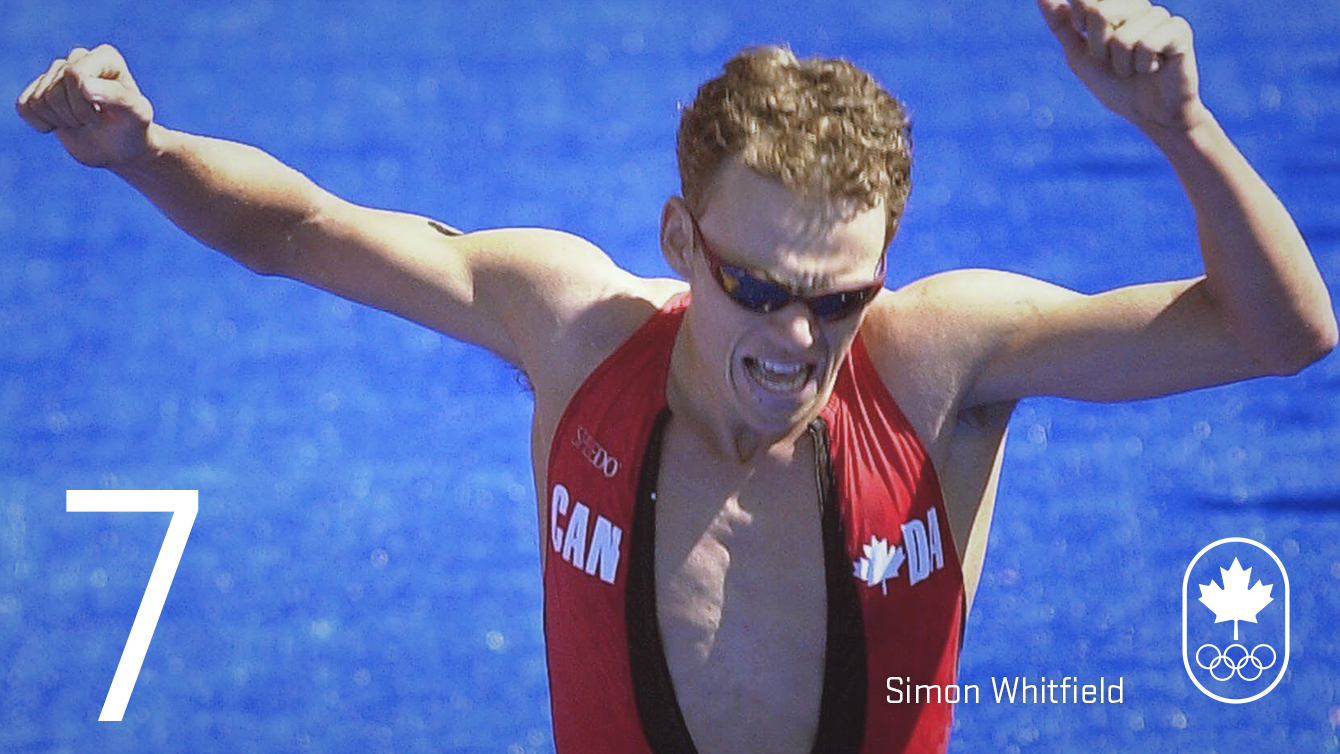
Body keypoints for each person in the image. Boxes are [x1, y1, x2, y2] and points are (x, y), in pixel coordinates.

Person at [15, 0, 1335, 751]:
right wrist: (146, 150)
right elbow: (297, 228)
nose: (795, 339)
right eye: (755, 284)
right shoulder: (578, 331)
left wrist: (1186, 129)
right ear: (678, 243)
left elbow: (1280, 335)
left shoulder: (940, 361)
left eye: (838, 297)